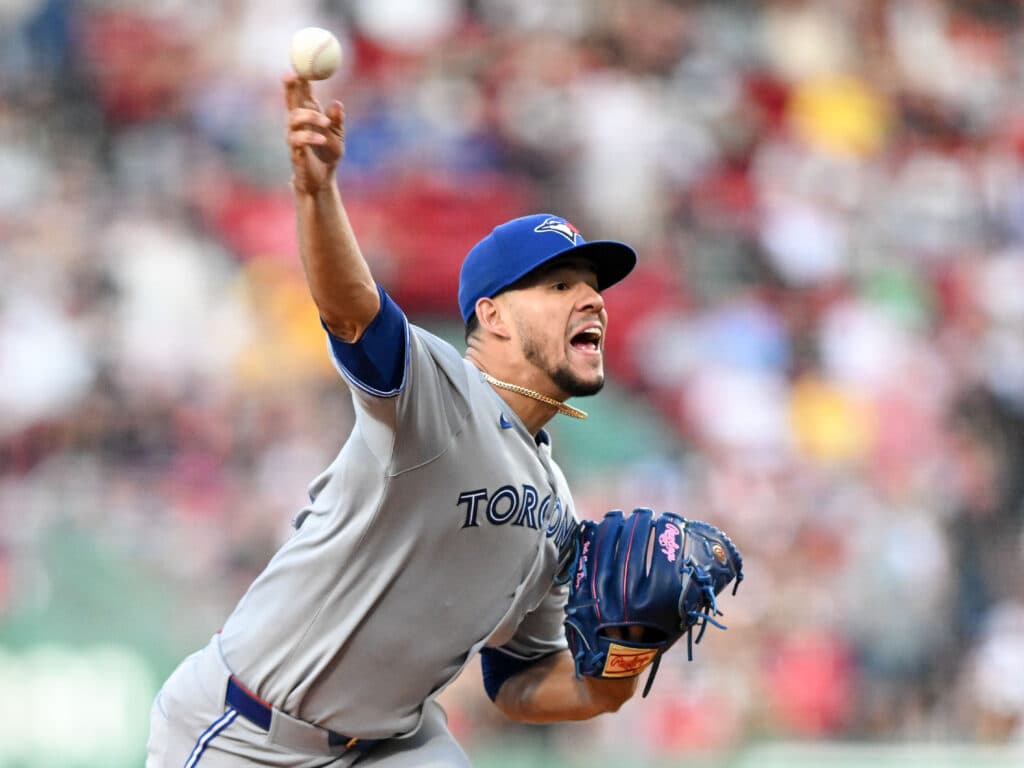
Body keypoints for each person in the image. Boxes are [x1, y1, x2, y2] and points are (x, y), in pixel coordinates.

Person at [146, 74, 641, 767]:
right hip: (249, 732)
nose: (590, 301)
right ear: (491, 315)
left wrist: (625, 663)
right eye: (560, 286)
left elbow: (519, 681)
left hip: (391, 744)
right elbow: (354, 315)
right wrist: (317, 194)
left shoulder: (556, 503)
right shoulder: (440, 393)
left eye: (593, 289)